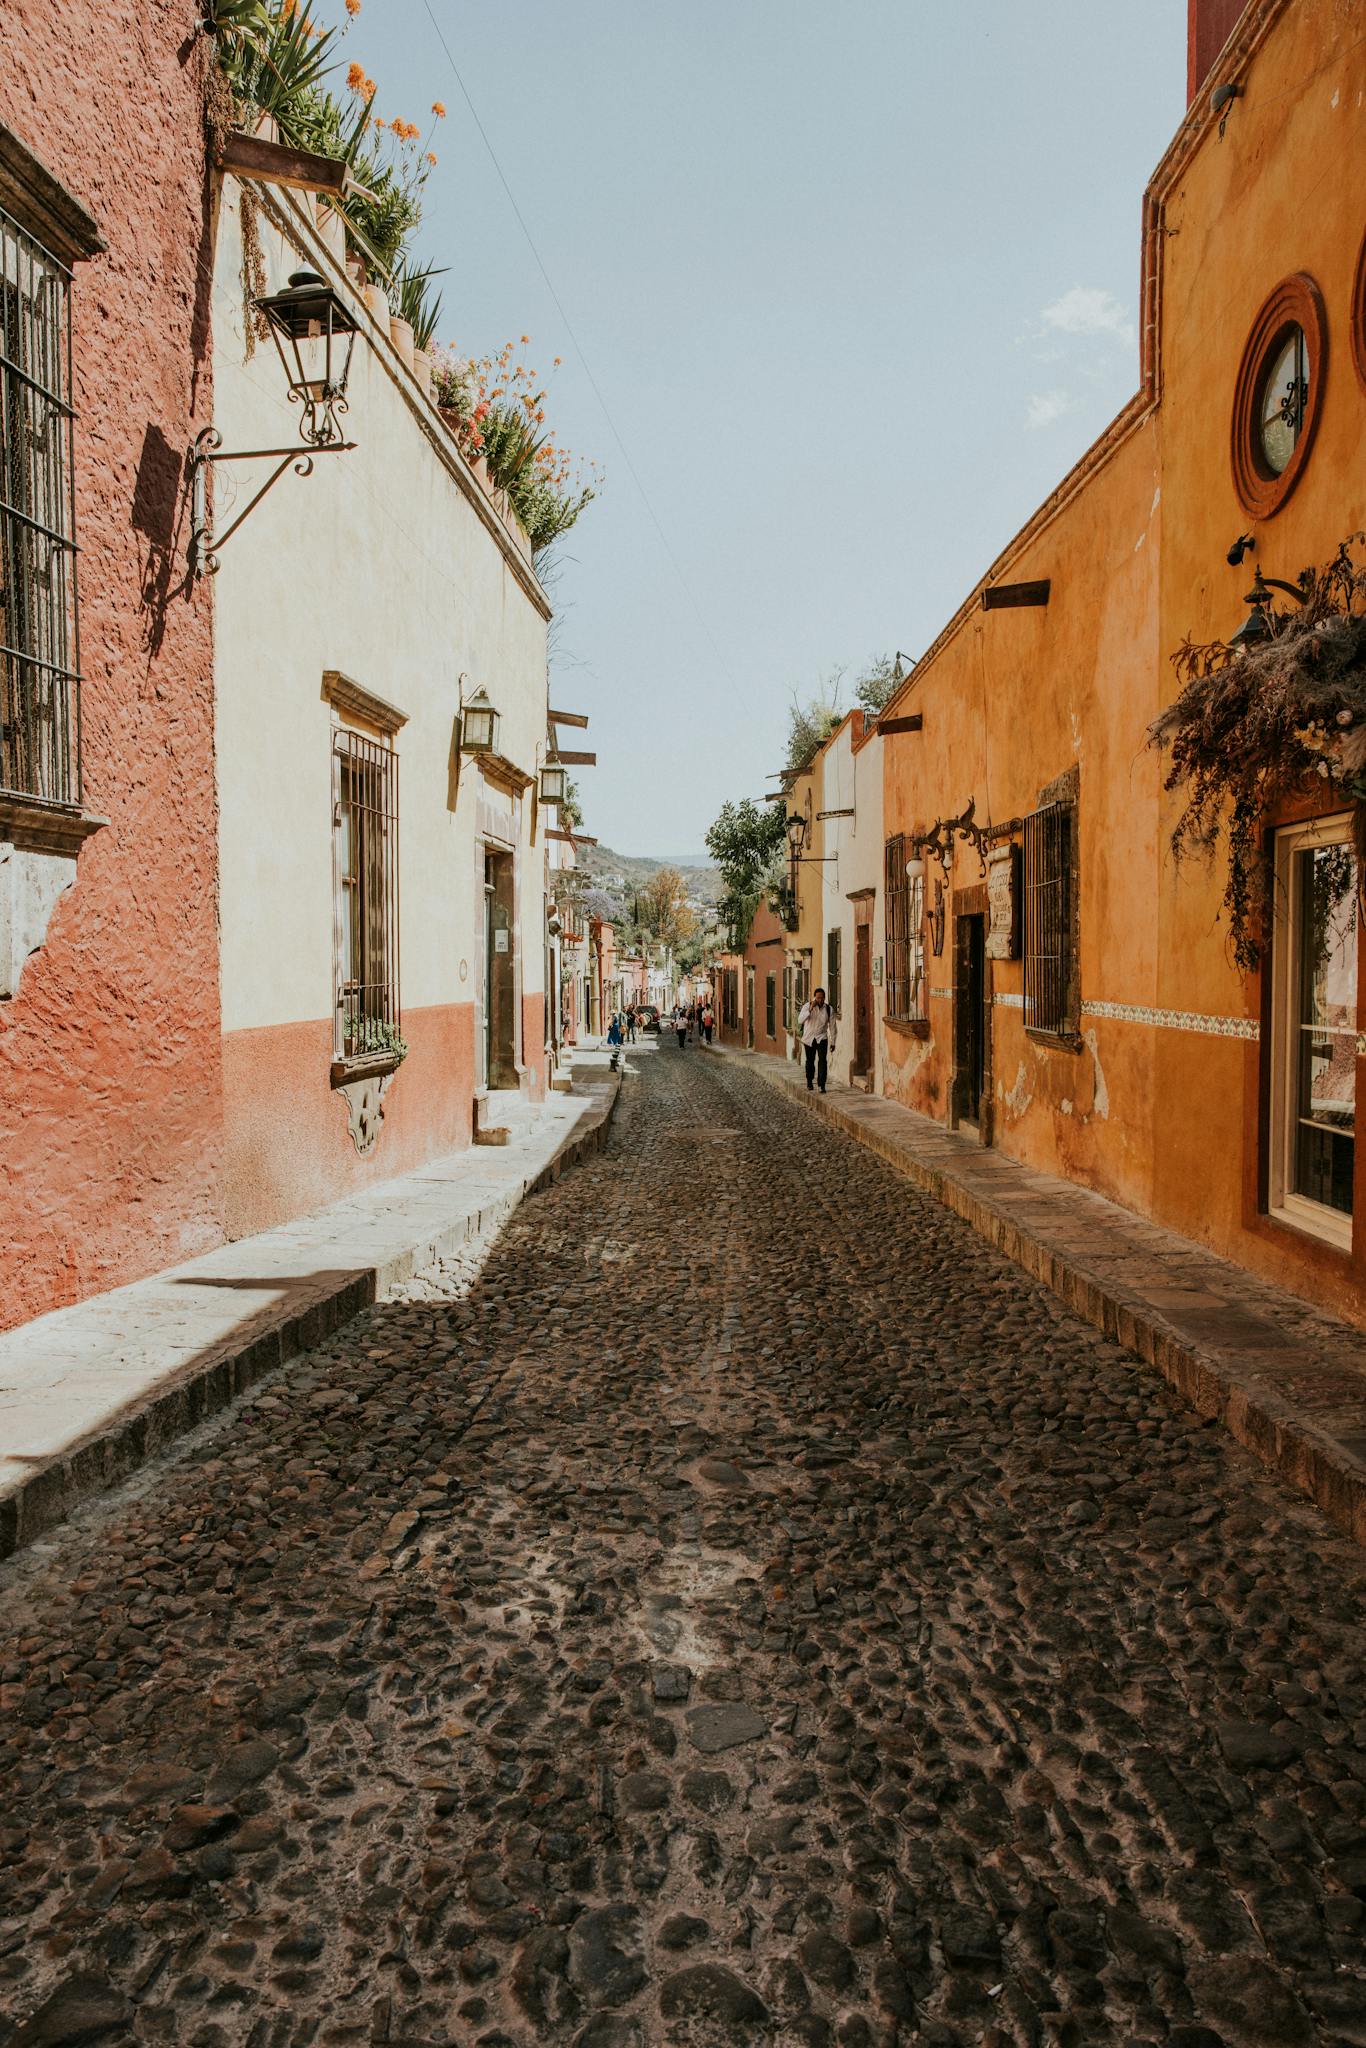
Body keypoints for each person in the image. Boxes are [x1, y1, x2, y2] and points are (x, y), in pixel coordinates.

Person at [799, 986, 835, 1093]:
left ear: (824, 998)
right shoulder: (807, 1006)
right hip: (809, 1038)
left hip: (821, 1037)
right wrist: (810, 1010)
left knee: (822, 1061)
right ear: (815, 997)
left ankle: (821, 1085)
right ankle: (809, 1081)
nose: (820, 1000)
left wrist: (833, 1042)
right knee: (810, 1061)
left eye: (822, 998)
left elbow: (833, 1027)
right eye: (818, 998)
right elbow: (800, 1020)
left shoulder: (829, 1009)